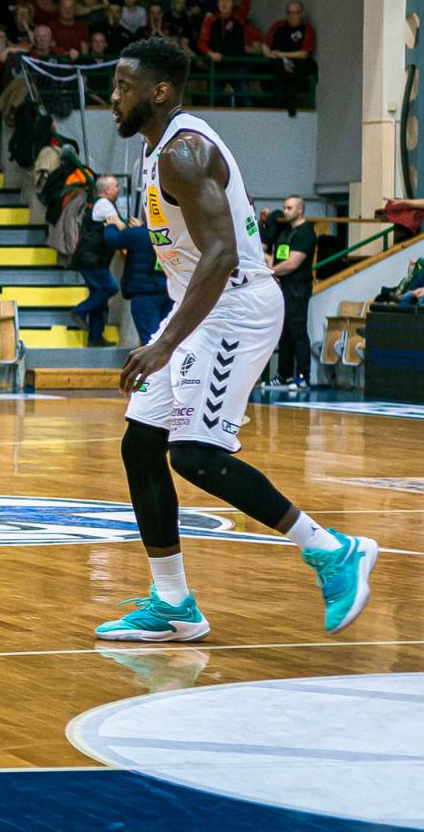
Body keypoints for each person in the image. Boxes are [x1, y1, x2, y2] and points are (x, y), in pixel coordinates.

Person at [101, 37, 377, 643]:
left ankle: (334, 550)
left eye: (124, 87)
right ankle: (173, 603)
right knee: (141, 447)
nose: (112, 97)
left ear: (160, 92)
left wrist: (165, 344)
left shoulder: (185, 152)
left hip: (234, 308)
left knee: (193, 454)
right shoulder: (156, 149)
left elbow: (222, 254)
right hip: (199, 306)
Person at [266, 195, 317, 390]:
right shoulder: (285, 233)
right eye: (284, 207)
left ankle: (303, 376)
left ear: (300, 210)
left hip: (297, 288)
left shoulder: (305, 233)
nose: (285, 211)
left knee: (297, 330)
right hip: (282, 288)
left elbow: (292, 263)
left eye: (289, 208)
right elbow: (277, 259)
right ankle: (284, 374)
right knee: (284, 331)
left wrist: (271, 271)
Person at [70, 175, 124, 346]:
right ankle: (79, 310)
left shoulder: (98, 204)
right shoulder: (104, 204)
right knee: (110, 288)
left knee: (98, 296)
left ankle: (95, 337)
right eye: (116, 186)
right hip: (93, 259)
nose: (119, 189)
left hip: (91, 258)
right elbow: (119, 225)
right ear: (107, 189)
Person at [103, 217, 173, 345]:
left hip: (144, 293)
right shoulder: (171, 234)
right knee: (166, 338)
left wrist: (111, 226)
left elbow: (112, 240)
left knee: (150, 340)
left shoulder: (137, 233)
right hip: (169, 292)